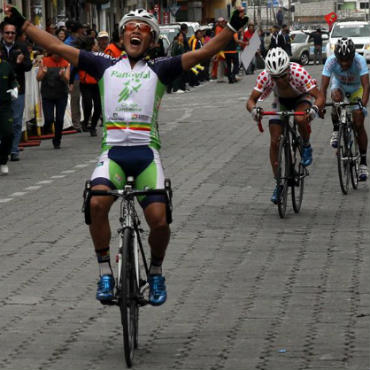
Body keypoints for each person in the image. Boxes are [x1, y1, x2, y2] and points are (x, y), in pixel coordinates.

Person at [5, 5, 248, 305]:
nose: (136, 30)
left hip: (146, 156)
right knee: (96, 203)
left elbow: (204, 52)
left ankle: (156, 271)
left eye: (143, 28)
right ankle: (105, 270)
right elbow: (55, 45)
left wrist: (232, 29)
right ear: (122, 35)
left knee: (159, 221)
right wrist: (24, 25)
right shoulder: (103, 64)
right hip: (114, 155)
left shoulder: (160, 68)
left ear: (153, 39)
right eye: (130, 26)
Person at [246, 47, 325, 203]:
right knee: (274, 141)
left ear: (289, 69)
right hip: (280, 101)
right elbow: (251, 100)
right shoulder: (265, 76)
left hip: (300, 98)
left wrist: (315, 109)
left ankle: (306, 145)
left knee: (300, 119)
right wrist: (254, 111)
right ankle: (279, 183)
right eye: (275, 77)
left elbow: (319, 96)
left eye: (283, 76)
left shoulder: (299, 72)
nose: (280, 80)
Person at [320, 37, 369, 180]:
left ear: (353, 56)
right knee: (335, 98)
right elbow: (323, 87)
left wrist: (362, 105)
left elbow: (366, 86)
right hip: (339, 86)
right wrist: (321, 105)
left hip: (356, 89)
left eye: (347, 60)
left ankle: (364, 163)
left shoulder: (360, 61)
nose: (344, 63)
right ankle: (336, 129)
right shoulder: (331, 61)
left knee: (359, 122)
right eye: (341, 60)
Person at [0, 21, 32, 162]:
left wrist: (21, 62)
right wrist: (16, 63)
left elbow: (28, 66)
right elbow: (6, 68)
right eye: (7, 32)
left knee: (17, 120)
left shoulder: (21, 47)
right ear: (2, 33)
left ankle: (13, 150)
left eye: (12, 33)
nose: (10, 35)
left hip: (18, 89)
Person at [36, 52, 70, 148]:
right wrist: (43, 72)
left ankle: (57, 140)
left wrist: (62, 75)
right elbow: (38, 78)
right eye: (55, 53)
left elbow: (67, 80)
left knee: (59, 119)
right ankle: (46, 127)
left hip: (61, 94)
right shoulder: (44, 61)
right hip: (47, 94)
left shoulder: (66, 63)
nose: (58, 55)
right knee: (49, 118)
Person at [0, 52, 18, 175]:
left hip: (4, 105)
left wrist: (15, 88)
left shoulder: (6, 66)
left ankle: (3, 161)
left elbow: (13, 80)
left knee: (8, 133)